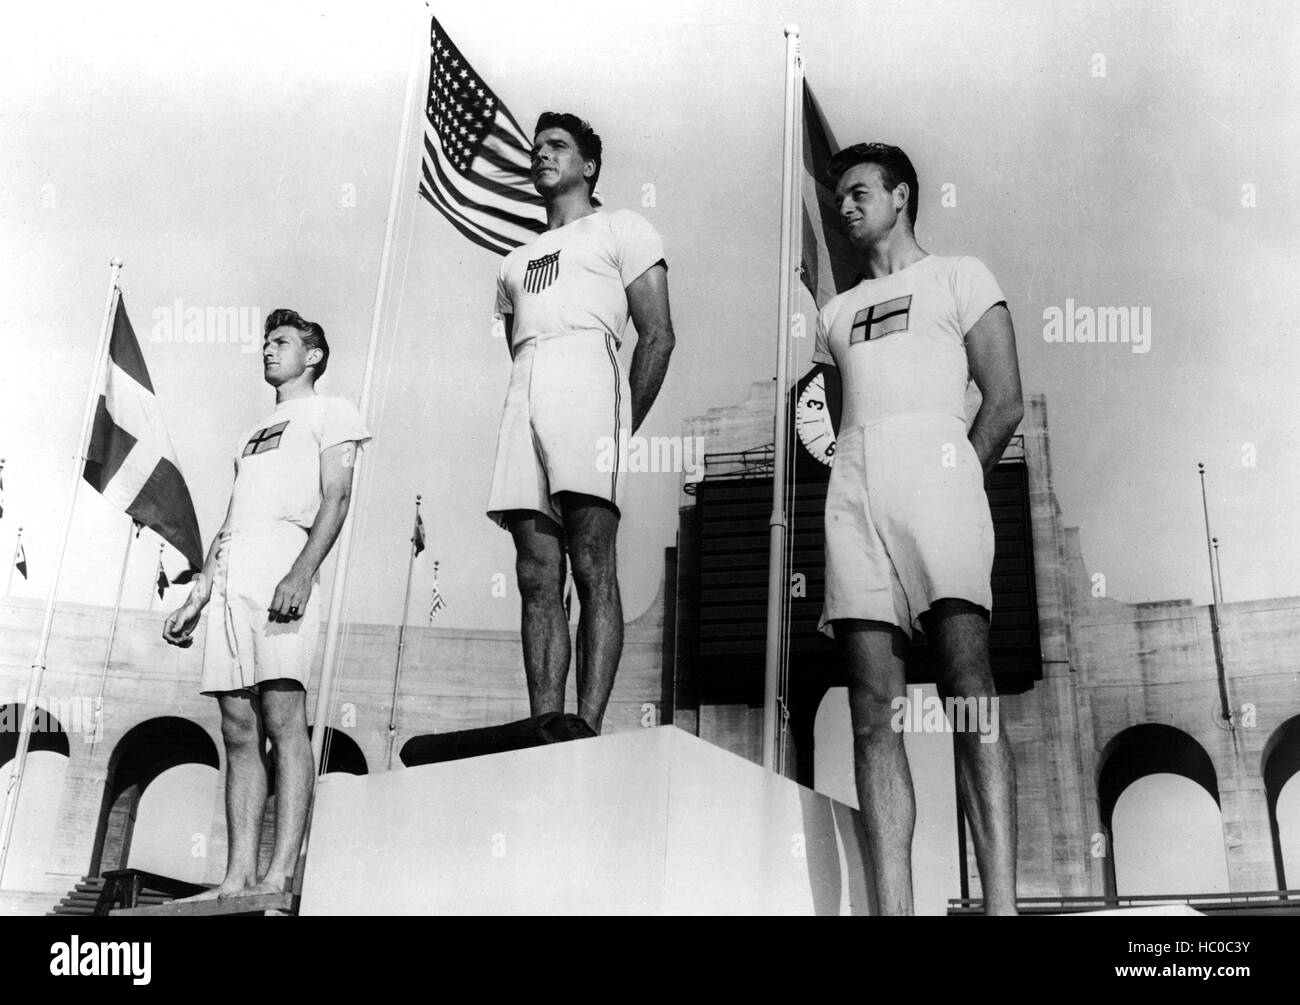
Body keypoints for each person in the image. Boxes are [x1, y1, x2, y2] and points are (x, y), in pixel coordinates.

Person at [813, 143, 1023, 915]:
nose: (846, 206)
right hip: (856, 489)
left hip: (939, 480)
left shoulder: (962, 276)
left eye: (860, 191)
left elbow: (1002, 401)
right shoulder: (832, 314)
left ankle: (1001, 903)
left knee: (970, 688)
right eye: (839, 197)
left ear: (902, 196)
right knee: (873, 710)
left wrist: (952, 478)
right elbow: (832, 420)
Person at [163, 309, 370, 899]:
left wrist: (303, 572)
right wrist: (199, 592)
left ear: (314, 355)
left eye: (281, 342)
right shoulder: (249, 432)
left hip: (284, 559)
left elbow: (337, 495)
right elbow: (231, 517)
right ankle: (237, 877)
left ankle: (279, 873)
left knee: (284, 718)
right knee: (236, 728)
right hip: (233, 573)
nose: (268, 350)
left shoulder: (335, 412)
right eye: (265, 343)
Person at [488, 112, 675, 734]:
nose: (542, 154)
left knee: (593, 561)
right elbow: (514, 344)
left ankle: (588, 722)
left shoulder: (622, 227)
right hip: (526, 386)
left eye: (558, 146)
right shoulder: (513, 262)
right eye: (536, 147)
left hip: (591, 380)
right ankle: (546, 724)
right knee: (536, 571)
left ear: (589, 165)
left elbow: (658, 335)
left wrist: (619, 431)